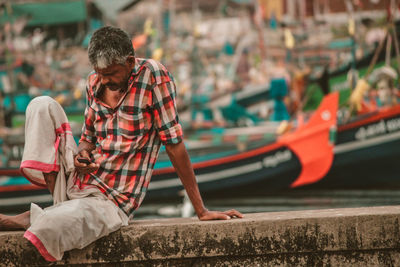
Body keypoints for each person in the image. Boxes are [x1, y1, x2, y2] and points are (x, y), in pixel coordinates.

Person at [0, 26, 243, 262]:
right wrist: (82, 155)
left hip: (110, 202)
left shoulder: (153, 77)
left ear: (129, 61)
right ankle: (52, 208)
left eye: (110, 74)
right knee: (41, 105)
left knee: (50, 228)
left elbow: (175, 144)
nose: (103, 80)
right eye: (99, 73)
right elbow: (87, 139)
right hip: (77, 181)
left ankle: (32, 217)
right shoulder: (94, 81)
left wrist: (201, 210)